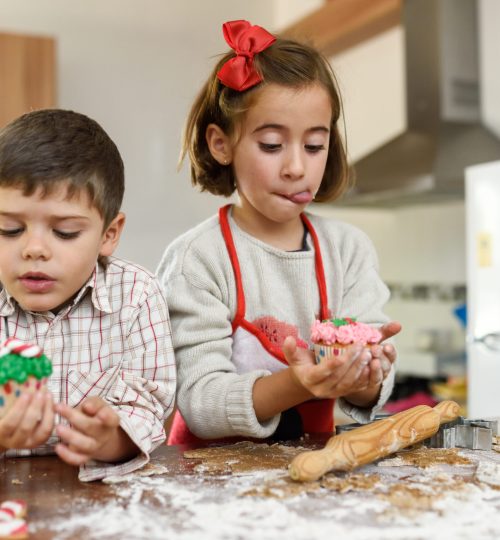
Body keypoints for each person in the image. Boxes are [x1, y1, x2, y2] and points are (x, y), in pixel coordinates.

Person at [157, 20, 401, 445]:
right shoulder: (198, 259)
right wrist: (301, 382)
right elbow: (199, 402)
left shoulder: (348, 251)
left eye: (314, 146)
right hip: (208, 481)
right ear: (221, 144)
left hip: (307, 475)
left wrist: (365, 372)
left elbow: (370, 390)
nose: (296, 167)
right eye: (271, 145)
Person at [0, 109, 176, 481]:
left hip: (96, 493)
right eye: (10, 229)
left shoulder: (135, 295)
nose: (34, 249)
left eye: (64, 232)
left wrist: (109, 439)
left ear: (109, 234)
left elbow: (148, 405)